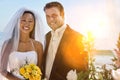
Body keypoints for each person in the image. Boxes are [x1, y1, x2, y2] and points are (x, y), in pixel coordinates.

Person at [43, 1, 88, 80]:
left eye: (54, 15)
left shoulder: (78, 38)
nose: (51, 19)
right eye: (47, 16)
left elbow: (83, 71)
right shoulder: (45, 37)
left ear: (63, 15)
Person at [0, 8, 44, 80]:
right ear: (18, 22)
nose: (27, 24)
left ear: (34, 24)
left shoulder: (38, 45)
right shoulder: (8, 44)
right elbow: (2, 70)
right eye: (23, 20)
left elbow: (39, 70)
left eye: (30, 21)